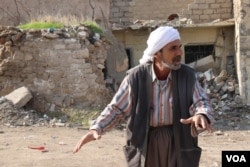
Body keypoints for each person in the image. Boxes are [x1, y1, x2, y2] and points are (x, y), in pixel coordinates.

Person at [73, 26, 214, 167]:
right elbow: (116, 109)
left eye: (179, 47)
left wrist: (202, 114)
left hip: (178, 143)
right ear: (157, 53)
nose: (179, 52)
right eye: (173, 48)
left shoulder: (187, 75)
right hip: (146, 144)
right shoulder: (135, 78)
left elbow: (201, 101)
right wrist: (97, 127)